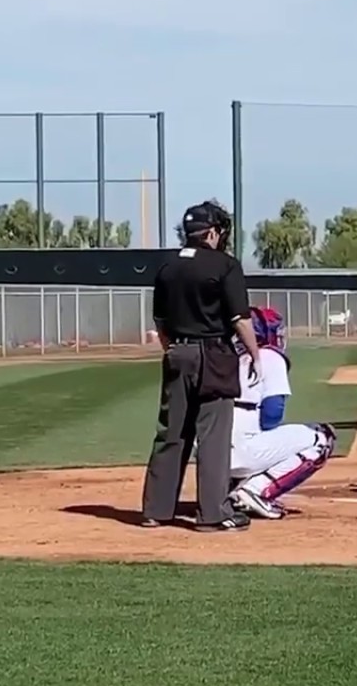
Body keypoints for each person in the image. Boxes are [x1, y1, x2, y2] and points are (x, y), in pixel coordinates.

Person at [141, 200, 263, 532]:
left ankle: (155, 510)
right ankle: (213, 513)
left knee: (172, 433)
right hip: (214, 355)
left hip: (177, 353)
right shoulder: (225, 265)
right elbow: (240, 319)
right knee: (213, 435)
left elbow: (160, 320)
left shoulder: (167, 266)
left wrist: (174, 351)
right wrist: (255, 353)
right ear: (212, 232)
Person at [226, 306, 336, 519]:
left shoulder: (226, 357)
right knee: (321, 437)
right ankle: (256, 490)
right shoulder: (269, 356)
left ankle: (227, 492)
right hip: (241, 453)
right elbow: (272, 414)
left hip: (210, 455)